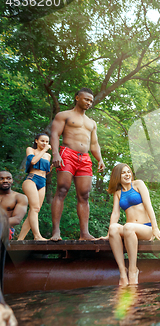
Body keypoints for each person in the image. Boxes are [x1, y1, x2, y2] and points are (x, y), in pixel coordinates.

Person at [50, 88, 105, 241]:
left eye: (91, 101)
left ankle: (84, 234)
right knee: (62, 190)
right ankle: (56, 232)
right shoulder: (64, 115)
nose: (89, 103)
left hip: (85, 158)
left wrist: (99, 159)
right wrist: (55, 154)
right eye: (86, 99)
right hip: (67, 153)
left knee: (84, 195)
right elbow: (55, 134)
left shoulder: (92, 123)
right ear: (77, 98)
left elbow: (94, 143)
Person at [101, 163, 160, 285]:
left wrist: (155, 227)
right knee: (113, 228)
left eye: (128, 171)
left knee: (128, 226)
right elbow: (115, 214)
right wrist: (108, 234)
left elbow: (148, 205)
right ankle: (122, 272)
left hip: (145, 228)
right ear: (117, 176)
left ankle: (133, 270)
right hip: (129, 230)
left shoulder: (138, 184)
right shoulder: (118, 193)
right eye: (123, 172)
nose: (127, 174)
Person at [17, 133, 52, 241]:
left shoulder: (48, 156)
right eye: (42, 141)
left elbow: (45, 172)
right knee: (35, 208)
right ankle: (37, 236)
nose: (45, 143)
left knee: (34, 211)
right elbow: (33, 161)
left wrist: (53, 166)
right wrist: (44, 150)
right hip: (31, 179)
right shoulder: (31, 150)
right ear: (36, 141)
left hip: (43, 182)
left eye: (47, 141)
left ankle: (20, 239)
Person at [0, 172, 28, 240]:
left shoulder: (19, 197)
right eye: (1, 178)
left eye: (8, 178)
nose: (5, 181)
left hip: (6, 229)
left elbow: (17, 219)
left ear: (12, 180)